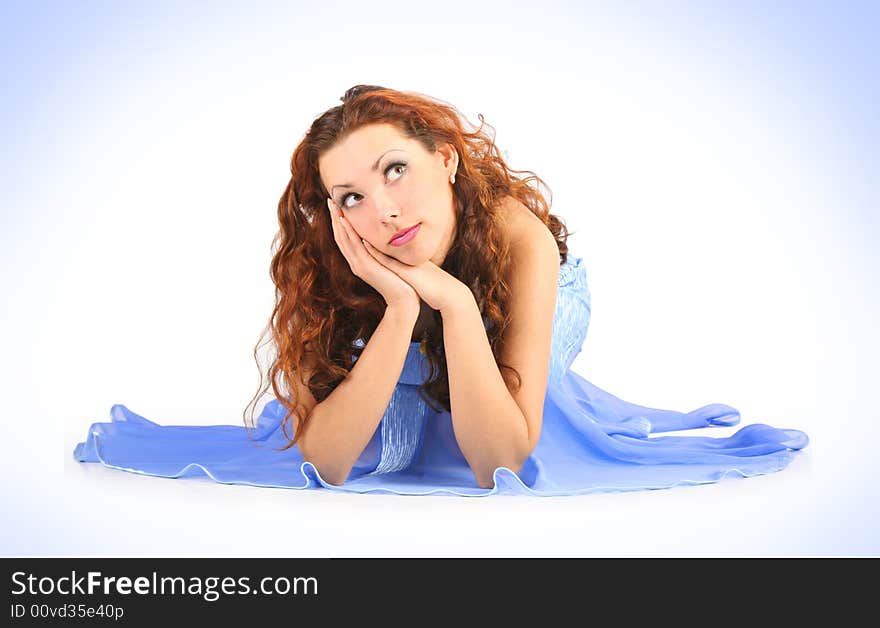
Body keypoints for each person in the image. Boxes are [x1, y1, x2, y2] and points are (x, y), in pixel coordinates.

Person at [74, 85, 809, 496]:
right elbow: (324, 464)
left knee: (500, 383)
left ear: (447, 159)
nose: (383, 210)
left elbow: (501, 465)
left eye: (395, 170)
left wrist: (454, 304)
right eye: (351, 195)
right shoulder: (330, 261)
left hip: (511, 328)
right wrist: (400, 308)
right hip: (402, 320)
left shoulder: (515, 233)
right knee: (376, 370)